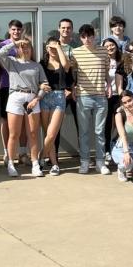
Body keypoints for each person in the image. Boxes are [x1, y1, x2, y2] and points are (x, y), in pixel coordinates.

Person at [0, 39, 45, 177]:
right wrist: (15, 43)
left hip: (32, 99)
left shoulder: (37, 65)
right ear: (18, 49)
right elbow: (0, 54)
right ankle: (11, 163)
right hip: (16, 98)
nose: (25, 49)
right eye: (22, 47)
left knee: (33, 133)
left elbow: (44, 84)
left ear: (31, 49)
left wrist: (37, 98)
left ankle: (35, 164)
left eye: (27, 46)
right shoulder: (11, 62)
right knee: (14, 134)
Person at [71, 24, 110, 175]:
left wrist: (109, 85)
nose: (87, 39)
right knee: (84, 132)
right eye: (84, 37)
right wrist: (73, 88)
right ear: (80, 38)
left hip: (101, 96)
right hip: (83, 96)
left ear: (94, 36)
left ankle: (100, 162)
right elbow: (73, 73)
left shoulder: (103, 51)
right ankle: (85, 162)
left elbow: (106, 70)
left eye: (90, 36)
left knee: (100, 131)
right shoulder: (75, 52)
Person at [38, 36, 71, 175]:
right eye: (50, 47)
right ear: (46, 48)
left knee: (52, 134)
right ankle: (54, 164)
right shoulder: (42, 63)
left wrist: (58, 47)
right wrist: (40, 85)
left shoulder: (62, 62)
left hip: (59, 97)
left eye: (55, 47)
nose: (53, 50)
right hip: (44, 97)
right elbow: (36, 80)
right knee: (47, 134)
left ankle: (40, 158)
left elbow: (67, 66)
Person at [53, 19, 80, 166]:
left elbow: (78, 70)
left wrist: (73, 87)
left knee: (81, 125)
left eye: (68, 28)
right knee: (55, 126)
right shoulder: (53, 45)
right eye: (63, 27)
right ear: (59, 29)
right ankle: (53, 157)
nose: (66, 30)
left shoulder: (77, 46)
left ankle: (84, 156)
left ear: (72, 29)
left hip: (75, 90)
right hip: (59, 91)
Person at [112, 91, 133, 184]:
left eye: (129, 100)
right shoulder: (119, 115)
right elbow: (122, 135)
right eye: (125, 102)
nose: (128, 104)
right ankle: (121, 170)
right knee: (127, 163)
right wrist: (126, 152)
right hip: (122, 147)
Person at [101, 38, 125, 166]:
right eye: (107, 46)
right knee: (106, 125)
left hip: (119, 97)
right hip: (105, 96)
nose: (110, 48)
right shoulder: (101, 60)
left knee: (119, 124)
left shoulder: (123, 60)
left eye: (112, 45)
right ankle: (106, 151)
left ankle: (117, 149)